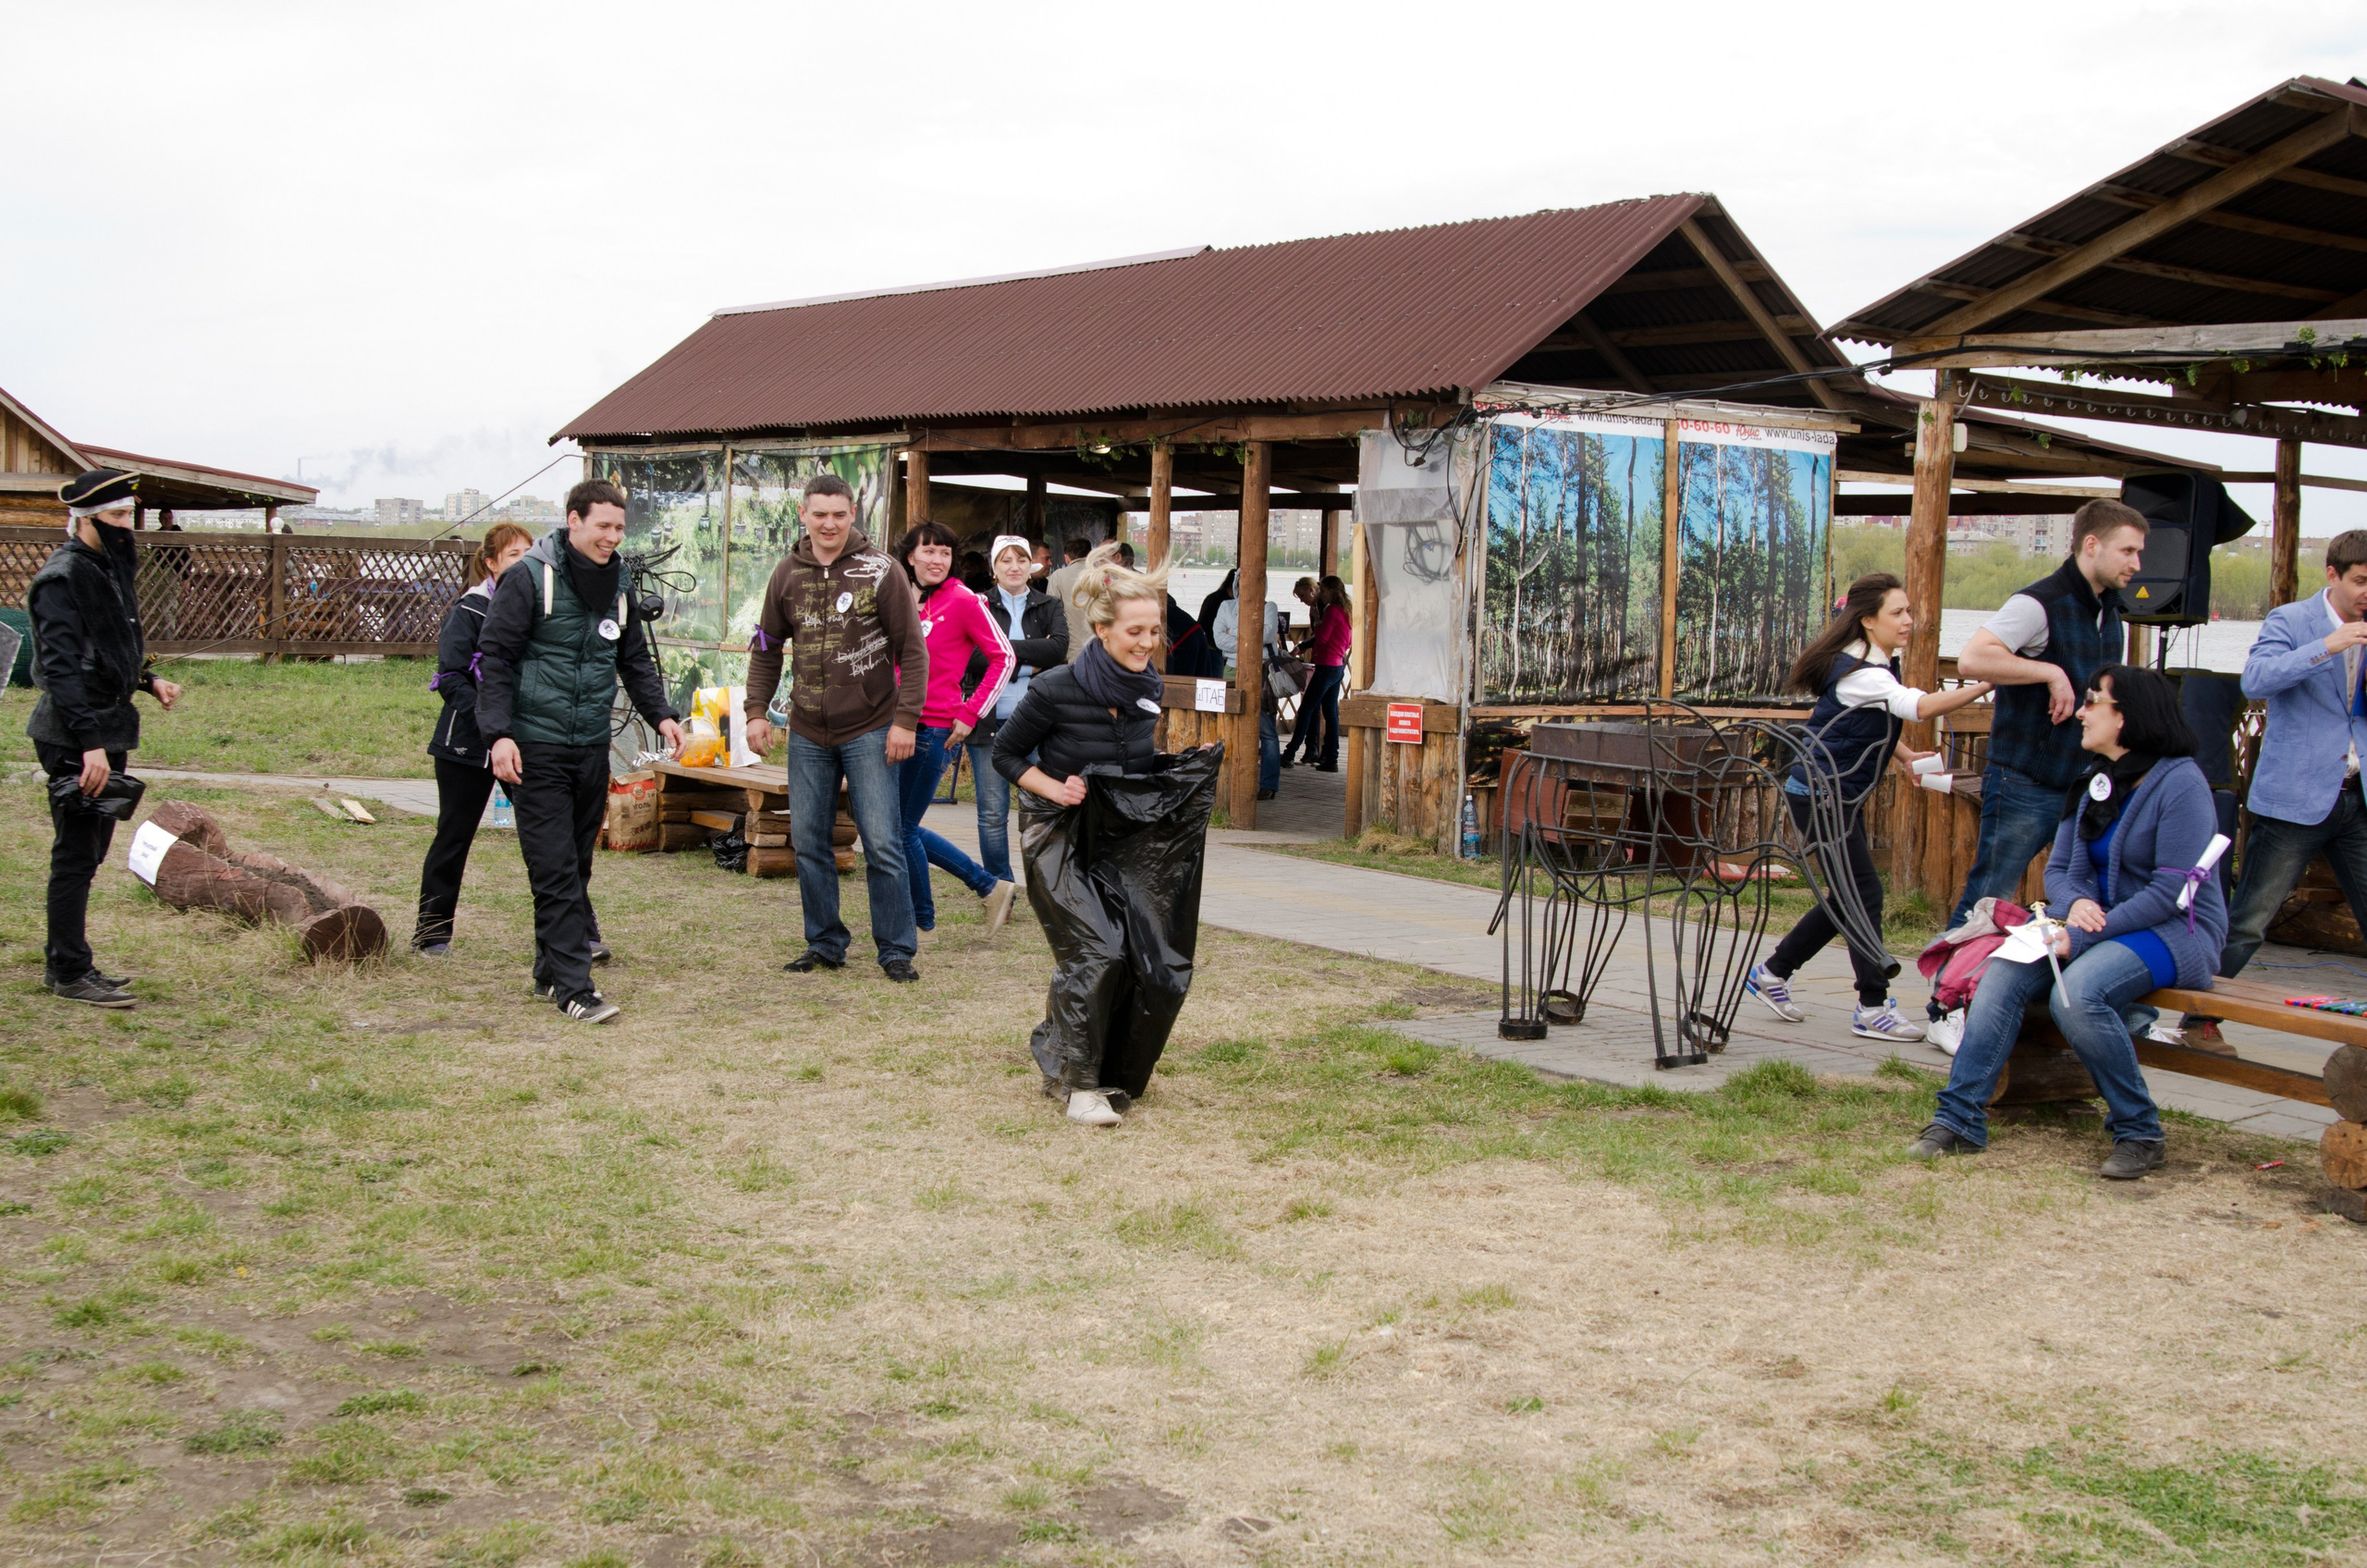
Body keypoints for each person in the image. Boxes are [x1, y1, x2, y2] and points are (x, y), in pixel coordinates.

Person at [1911, 666, 2224, 1180]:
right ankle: (1960, 1119)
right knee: (2002, 972)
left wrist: (2077, 934)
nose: (2080, 712)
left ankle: (2139, 1130)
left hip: (2174, 932)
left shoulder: (2182, 784)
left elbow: (2173, 893)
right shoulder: (2095, 779)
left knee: (2076, 995)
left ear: (2126, 717)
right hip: (2096, 927)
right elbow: (2061, 870)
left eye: (2093, 702)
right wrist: (2076, 904)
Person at [994, 543, 1208, 1126]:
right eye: (1135, 631)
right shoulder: (1056, 688)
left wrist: (1174, 772)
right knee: (1096, 949)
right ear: (1102, 629)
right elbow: (1006, 755)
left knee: (1148, 959)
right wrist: (1053, 787)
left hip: (1116, 834)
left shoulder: (1148, 689)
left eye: (1154, 632)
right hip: (1054, 832)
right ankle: (1081, 1087)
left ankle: (1072, 1051)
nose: (1146, 643)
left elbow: (1132, 760)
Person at [1936, 497, 2149, 1046]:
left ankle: (2082, 1009)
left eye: (2139, 553)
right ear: (2092, 545)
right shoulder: (2039, 602)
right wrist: (2048, 670)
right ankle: (1947, 1008)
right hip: (2028, 776)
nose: (2136, 564)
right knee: (1989, 894)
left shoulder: (2112, 610)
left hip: (2084, 783)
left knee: (2084, 894)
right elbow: (1973, 659)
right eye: (2128, 550)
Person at [1744, 574, 1993, 1040]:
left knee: (1849, 896)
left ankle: (1774, 974)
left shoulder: (1867, 662)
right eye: (1897, 613)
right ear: (1868, 620)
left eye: (1908, 611)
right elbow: (1917, 707)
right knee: (1865, 896)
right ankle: (1872, 1007)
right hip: (1822, 799)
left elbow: (1859, 717)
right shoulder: (1866, 671)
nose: (1908, 621)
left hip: (1832, 795)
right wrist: (1987, 682)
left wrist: (1903, 756)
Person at [475, 482, 683, 1023]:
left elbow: (633, 658)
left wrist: (662, 715)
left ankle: (549, 970)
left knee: (576, 864)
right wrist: (498, 734)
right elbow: (493, 659)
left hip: (590, 746)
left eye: (619, 528)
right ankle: (575, 989)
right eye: (603, 527)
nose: (612, 537)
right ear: (574, 521)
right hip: (532, 748)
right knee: (555, 869)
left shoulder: (618, 583)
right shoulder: (529, 578)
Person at [2183, 530, 2367, 1045]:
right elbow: (2256, 681)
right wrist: (2326, 646)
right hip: (2295, 798)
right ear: (2332, 575)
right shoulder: (2292, 621)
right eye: (2361, 582)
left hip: (2358, 796)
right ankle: (2198, 1015)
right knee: (2249, 921)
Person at [743, 474, 927, 981]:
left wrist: (905, 721)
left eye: (839, 514)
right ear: (803, 514)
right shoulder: (786, 574)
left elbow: (912, 651)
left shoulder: (882, 571)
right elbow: (765, 648)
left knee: (882, 841)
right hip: (806, 730)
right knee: (807, 841)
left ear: (852, 515)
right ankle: (825, 943)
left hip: (871, 727)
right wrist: (756, 710)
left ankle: (895, 950)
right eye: (819, 514)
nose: (829, 523)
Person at [25, 470, 182, 1008]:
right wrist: (88, 744)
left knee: (92, 851)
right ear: (86, 519)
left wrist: (148, 679)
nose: (125, 526)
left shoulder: (106, 568)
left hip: (105, 730)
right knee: (74, 854)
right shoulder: (62, 578)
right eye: (115, 517)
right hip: (74, 735)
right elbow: (60, 670)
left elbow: (108, 650)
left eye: (127, 516)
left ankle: (72, 961)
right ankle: (68, 972)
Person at [411, 521, 533, 955]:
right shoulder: (470, 610)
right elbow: (449, 678)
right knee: (454, 835)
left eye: (528, 554)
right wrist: (489, 721)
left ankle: (579, 931)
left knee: (545, 835)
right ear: (491, 562)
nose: (524, 562)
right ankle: (431, 935)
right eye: (514, 555)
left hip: (519, 742)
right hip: (464, 742)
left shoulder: (533, 609)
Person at [892, 521, 1019, 935]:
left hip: (933, 731)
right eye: (928, 551)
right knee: (893, 825)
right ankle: (987, 887)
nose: (936, 559)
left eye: (944, 553)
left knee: (901, 827)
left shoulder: (964, 600)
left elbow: (1004, 657)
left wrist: (970, 713)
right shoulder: (899, 597)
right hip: (891, 726)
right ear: (910, 556)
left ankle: (920, 918)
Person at [965, 534, 1068, 883]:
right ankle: (1000, 885)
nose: (1014, 566)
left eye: (1021, 559)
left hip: (1039, 722)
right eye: (1006, 560)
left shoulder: (1050, 605)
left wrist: (1003, 654)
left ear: (1031, 566)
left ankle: (1047, 884)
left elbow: (1058, 652)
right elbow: (974, 658)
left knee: (1045, 804)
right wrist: (1030, 659)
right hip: (990, 719)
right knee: (993, 812)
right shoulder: (977, 605)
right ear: (994, 568)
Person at [1215, 576, 1282, 800]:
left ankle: (1268, 784)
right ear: (1237, 585)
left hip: (1261, 671)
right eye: (1242, 582)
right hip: (1232, 670)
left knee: (1267, 730)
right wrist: (1251, 638)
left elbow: (1267, 634)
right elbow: (1218, 639)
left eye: (1256, 582)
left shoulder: (1269, 607)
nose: (1249, 586)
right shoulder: (1226, 606)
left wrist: (1233, 634)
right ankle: (1228, 780)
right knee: (1228, 726)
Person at [1280, 575, 1351, 772]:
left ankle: (1290, 753)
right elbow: (1348, 640)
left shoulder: (1331, 611)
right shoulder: (1345, 611)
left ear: (1331, 591)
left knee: (1306, 709)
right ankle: (1331, 757)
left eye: (1323, 590)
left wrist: (1318, 621)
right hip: (1338, 665)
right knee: (1330, 712)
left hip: (1327, 665)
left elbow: (1323, 636)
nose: (1320, 593)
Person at [1048, 535, 1093, 662]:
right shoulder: (1102, 575)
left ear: (1066, 557)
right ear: (1090, 554)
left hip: (1071, 647)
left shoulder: (1058, 576)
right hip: (1102, 644)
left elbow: (1051, 613)